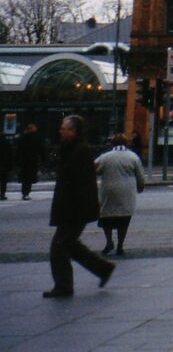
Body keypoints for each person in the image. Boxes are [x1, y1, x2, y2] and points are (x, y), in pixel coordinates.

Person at [44, 115, 114, 298]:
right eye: (62, 128)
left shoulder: (78, 151)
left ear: (74, 131)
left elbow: (81, 183)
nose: (61, 131)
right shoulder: (73, 149)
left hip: (74, 209)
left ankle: (64, 285)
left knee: (59, 246)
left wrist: (78, 208)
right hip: (73, 208)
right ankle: (103, 268)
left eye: (65, 128)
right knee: (69, 244)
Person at [94, 133, 146, 256]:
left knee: (106, 218)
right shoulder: (133, 157)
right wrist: (140, 187)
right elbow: (140, 177)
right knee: (124, 219)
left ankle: (109, 242)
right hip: (126, 192)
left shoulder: (105, 157)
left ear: (112, 143)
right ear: (126, 143)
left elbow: (95, 169)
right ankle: (120, 245)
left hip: (108, 191)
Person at [17, 124, 41, 200]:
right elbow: (40, 149)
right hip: (31, 161)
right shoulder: (35, 138)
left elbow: (19, 150)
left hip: (24, 161)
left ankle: (25, 192)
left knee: (25, 178)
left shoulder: (22, 138)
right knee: (29, 178)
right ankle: (26, 192)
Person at [0, 131, 11, 200]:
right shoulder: (7, 143)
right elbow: (9, 154)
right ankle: (2, 194)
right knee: (4, 181)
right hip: (4, 164)